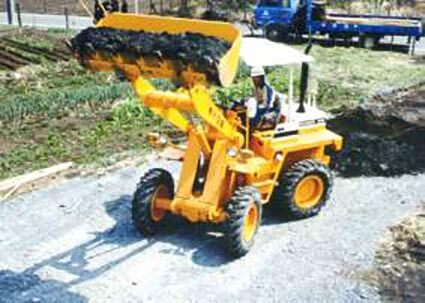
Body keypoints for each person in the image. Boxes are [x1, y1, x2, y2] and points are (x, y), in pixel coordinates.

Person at [246, 66, 282, 131]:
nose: (253, 80)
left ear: (261, 77)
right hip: (262, 109)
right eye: (253, 78)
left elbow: (267, 107)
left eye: (255, 78)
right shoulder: (256, 88)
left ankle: (251, 133)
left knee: (255, 118)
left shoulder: (268, 90)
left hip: (272, 112)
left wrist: (256, 111)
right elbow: (250, 98)